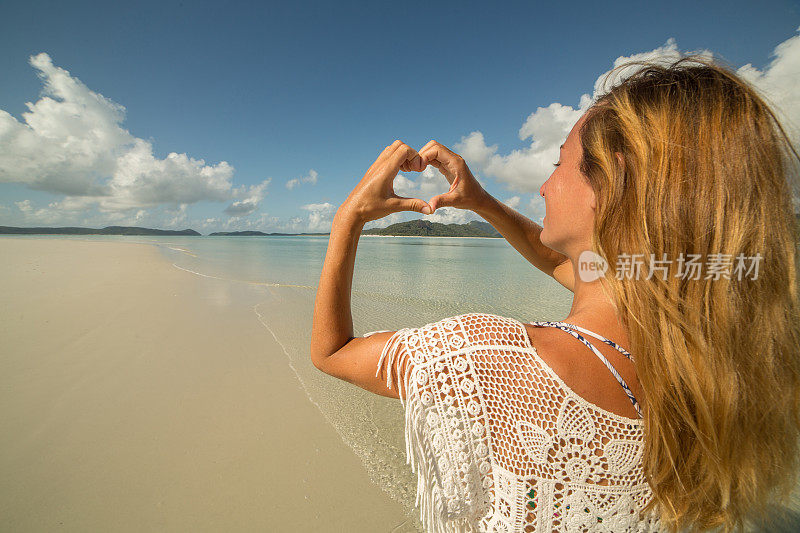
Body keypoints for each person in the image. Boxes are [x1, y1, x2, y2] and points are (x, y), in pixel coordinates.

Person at [309, 54, 800, 532]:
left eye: (558, 163)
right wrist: (479, 200)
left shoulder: (484, 360)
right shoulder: (717, 344)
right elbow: (569, 265)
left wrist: (347, 219)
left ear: (613, 183)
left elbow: (333, 352)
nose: (543, 187)